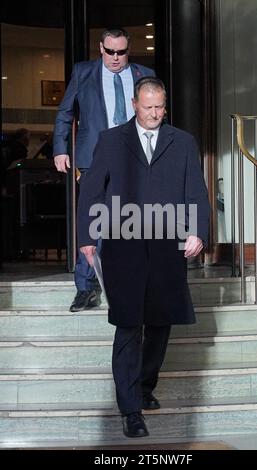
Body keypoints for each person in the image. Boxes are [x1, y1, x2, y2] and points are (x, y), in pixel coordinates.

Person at [77, 77, 210, 438]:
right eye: (148, 106)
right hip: (123, 242)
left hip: (168, 242)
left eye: (160, 107)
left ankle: (145, 385)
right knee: (128, 323)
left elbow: (195, 189)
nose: (154, 113)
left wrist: (198, 230)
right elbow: (91, 190)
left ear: (165, 106)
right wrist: (87, 236)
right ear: (135, 104)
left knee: (161, 322)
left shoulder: (182, 142)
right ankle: (130, 409)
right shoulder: (111, 140)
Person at [53, 27, 155, 313]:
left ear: (128, 50)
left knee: (134, 220)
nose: (115, 57)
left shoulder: (142, 74)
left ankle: (133, 281)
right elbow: (65, 113)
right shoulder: (84, 72)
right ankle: (86, 288)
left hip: (134, 158)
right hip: (94, 156)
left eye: (121, 52)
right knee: (92, 220)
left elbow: (155, 113)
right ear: (101, 48)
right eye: (110, 51)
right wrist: (61, 149)